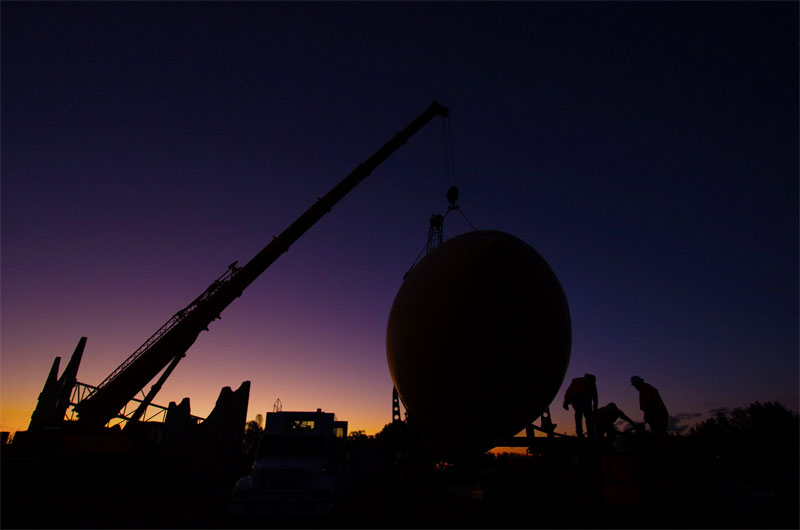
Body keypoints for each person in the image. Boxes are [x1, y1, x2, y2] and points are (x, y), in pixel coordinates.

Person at [562, 373, 598, 438]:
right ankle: (589, 433)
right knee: (587, 416)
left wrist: (565, 403)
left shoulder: (576, 381)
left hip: (576, 400)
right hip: (581, 399)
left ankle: (580, 432)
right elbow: (595, 396)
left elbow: (568, 392)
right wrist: (595, 407)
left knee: (580, 415)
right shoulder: (590, 382)